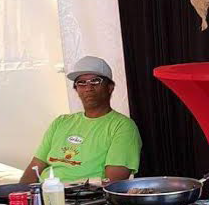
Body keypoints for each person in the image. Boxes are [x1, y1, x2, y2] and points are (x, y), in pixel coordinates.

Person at [20, 56, 142, 184]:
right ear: (76, 89)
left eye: (95, 81)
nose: (88, 88)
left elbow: (112, 182)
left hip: (86, 200)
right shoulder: (61, 122)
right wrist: (21, 196)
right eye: (81, 83)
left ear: (110, 87)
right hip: (45, 193)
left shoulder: (123, 126)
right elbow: (35, 167)